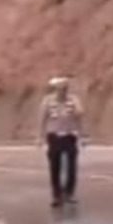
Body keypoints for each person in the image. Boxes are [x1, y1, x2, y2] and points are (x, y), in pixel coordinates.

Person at [37, 77, 84, 208]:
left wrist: (82, 135)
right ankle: (56, 195)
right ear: (56, 90)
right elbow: (42, 118)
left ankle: (69, 193)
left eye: (65, 88)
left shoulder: (73, 100)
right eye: (60, 89)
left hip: (70, 136)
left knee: (71, 167)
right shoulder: (48, 101)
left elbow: (80, 116)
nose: (62, 91)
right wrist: (40, 137)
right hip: (54, 137)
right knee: (55, 167)